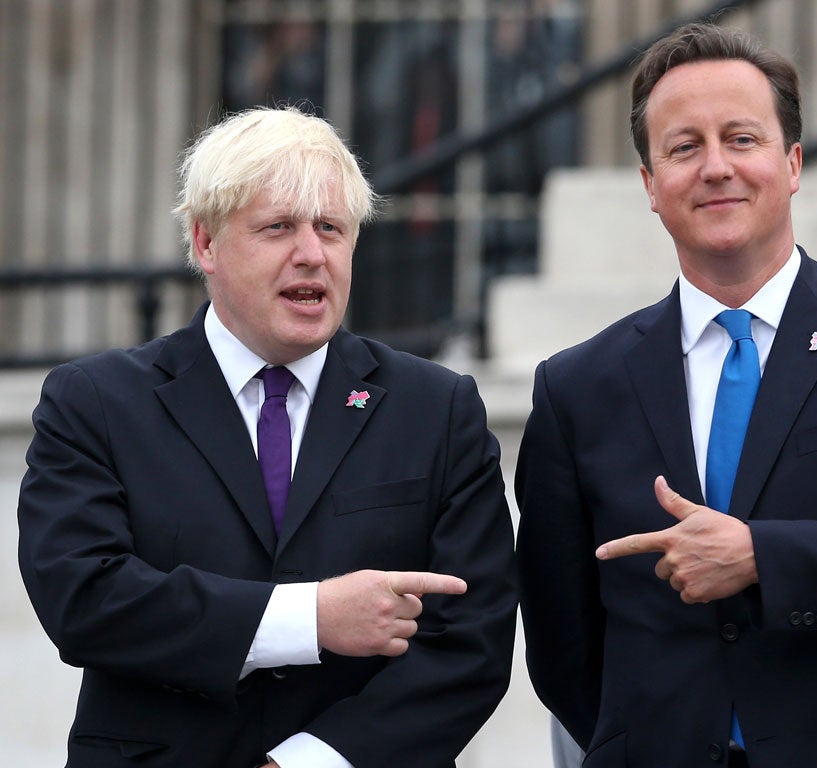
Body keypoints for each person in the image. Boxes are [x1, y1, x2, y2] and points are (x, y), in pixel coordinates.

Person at [515, 22, 817, 768]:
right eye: (684, 147)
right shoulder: (576, 386)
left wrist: (762, 557)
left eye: (741, 139)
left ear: (793, 162)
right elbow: (562, 642)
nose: (716, 167)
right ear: (650, 184)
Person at [18, 106, 517, 768]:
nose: (311, 254)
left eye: (331, 229)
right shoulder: (96, 403)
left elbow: (470, 642)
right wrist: (308, 618)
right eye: (278, 227)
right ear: (205, 244)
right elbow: (84, 598)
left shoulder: (435, 409)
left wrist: (311, 762)